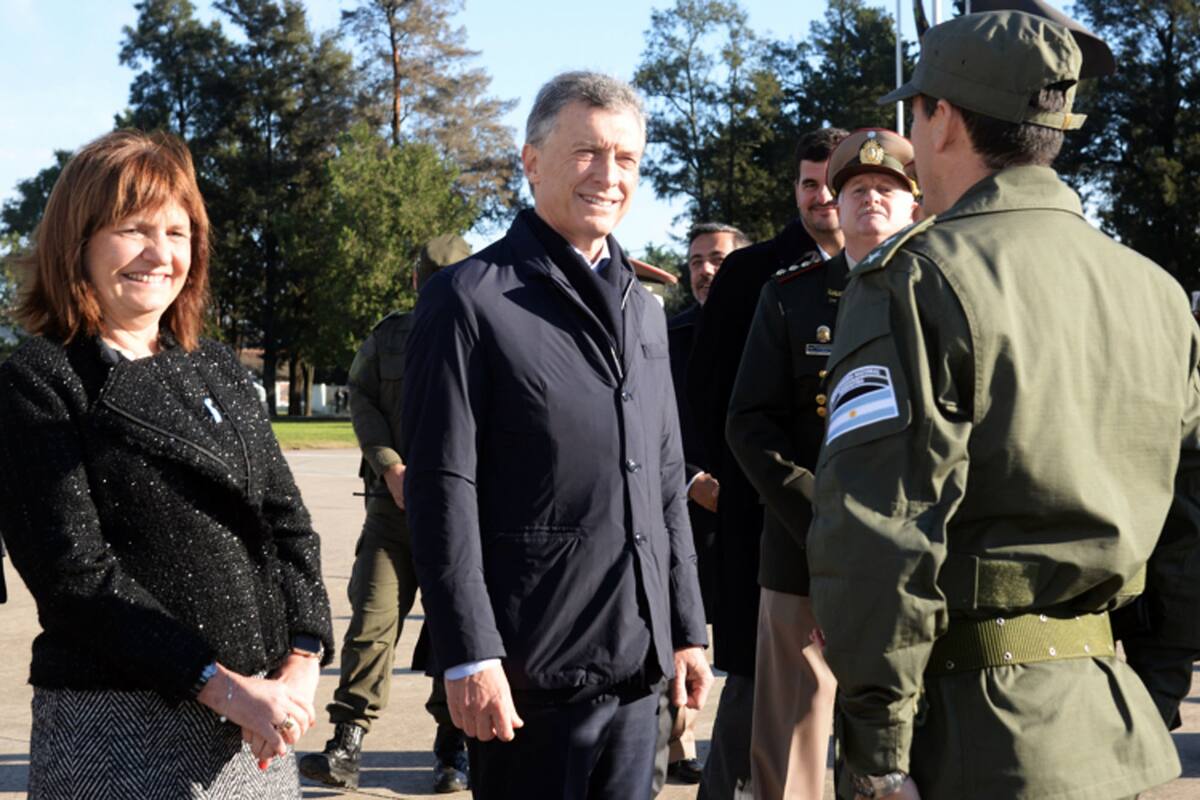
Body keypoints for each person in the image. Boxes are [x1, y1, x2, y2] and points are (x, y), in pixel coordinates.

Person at [807, 10, 1200, 800]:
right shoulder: (1156, 292)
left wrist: (880, 752)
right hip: (1107, 727)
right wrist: (1150, 695)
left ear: (942, 119)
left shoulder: (914, 279)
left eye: (913, 110)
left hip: (966, 737)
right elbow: (1187, 530)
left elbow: (880, 532)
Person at [400, 71, 713, 800]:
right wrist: (468, 653)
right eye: (586, 153)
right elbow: (443, 492)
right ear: (532, 161)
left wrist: (686, 626)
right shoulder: (469, 300)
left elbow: (665, 479)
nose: (609, 176)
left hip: (638, 670)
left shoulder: (642, 308)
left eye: (627, 159)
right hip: (529, 671)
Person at [0, 129, 334, 798]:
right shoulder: (40, 378)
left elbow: (288, 526)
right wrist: (222, 688)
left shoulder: (218, 369)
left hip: (259, 727)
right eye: (133, 229)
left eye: (177, 232)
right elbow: (77, 578)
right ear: (79, 242)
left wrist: (301, 661)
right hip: (120, 725)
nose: (160, 253)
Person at [727, 128, 918, 800]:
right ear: (835, 202)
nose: (871, 200)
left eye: (888, 189)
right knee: (791, 757)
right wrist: (824, 518)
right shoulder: (790, 296)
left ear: (914, 207)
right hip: (802, 551)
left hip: (914, 561)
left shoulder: (945, 293)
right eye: (857, 188)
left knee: (905, 754)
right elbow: (748, 422)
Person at [687, 127, 847, 800]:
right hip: (767, 522)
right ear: (795, 188)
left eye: (833, 184)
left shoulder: (901, 267)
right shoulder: (754, 274)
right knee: (760, 700)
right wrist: (702, 477)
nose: (822, 198)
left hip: (871, 528)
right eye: (809, 184)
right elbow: (707, 389)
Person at [299, 233, 472, 793]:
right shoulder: (389, 335)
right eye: (432, 279)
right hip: (391, 514)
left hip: (462, 521)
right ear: (417, 279)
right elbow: (362, 399)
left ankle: (454, 749)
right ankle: (346, 745)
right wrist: (390, 466)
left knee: (456, 634)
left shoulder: (490, 333)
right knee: (372, 625)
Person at [657, 222, 749, 790]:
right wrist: (691, 480)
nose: (704, 270)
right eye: (695, 261)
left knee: (742, 647)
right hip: (682, 507)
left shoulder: (767, 323)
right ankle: (677, 744)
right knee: (677, 634)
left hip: (748, 511)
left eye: (717, 259)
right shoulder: (668, 336)